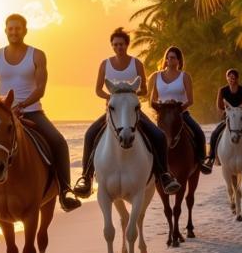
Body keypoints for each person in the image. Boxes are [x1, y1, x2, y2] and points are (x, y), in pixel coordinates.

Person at [0, 14, 81, 212]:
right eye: (10, 28)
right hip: (3, 114)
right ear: (5, 30)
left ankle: (65, 191)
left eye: (17, 28)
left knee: (59, 141)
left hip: (32, 112)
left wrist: (22, 104)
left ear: (25, 31)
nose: (14, 32)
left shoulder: (37, 55)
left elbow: (40, 88)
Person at [72, 27, 181, 198]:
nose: (118, 47)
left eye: (121, 44)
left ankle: (164, 175)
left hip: (132, 113)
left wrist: (128, 96)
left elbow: (144, 90)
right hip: (113, 113)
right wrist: (113, 98)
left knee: (159, 136)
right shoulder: (105, 64)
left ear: (127, 45)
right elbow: (98, 90)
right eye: (115, 45)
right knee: (89, 134)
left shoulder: (136, 63)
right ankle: (86, 178)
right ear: (112, 46)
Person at [147, 46, 212, 174]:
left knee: (198, 132)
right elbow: (152, 100)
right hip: (163, 116)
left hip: (181, 113)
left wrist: (178, 110)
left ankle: (201, 161)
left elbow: (190, 100)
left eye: (173, 58)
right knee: (148, 135)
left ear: (179, 60)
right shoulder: (156, 76)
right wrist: (162, 109)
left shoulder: (185, 76)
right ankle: (149, 165)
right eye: (168, 57)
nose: (170, 60)